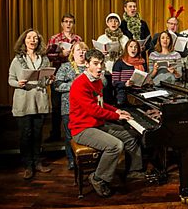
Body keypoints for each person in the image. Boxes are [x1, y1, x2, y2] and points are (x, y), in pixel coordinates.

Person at [69, 49, 144, 197]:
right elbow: (94, 110)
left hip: (96, 124)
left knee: (130, 135)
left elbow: (100, 104)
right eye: (95, 64)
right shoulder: (80, 84)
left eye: (101, 64)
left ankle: (134, 170)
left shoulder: (96, 81)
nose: (99, 67)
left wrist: (117, 111)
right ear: (86, 64)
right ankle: (98, 178)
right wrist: (116, 117)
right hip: (82, 129)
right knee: (115, 146)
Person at [8, 29, 54, 179]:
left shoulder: (44, 59)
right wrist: (18, 83)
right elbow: (11, 79)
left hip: (39, 99)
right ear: (24, 41)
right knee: (26, 134)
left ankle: (37, 162)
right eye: (29, 38)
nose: (33, 40)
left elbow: (45, 79)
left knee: (37, 133)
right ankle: (28, 165)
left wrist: (49, 80)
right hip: (24, 100)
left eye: (35, 38)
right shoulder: (18, 59)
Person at [46, 13, 83, 143]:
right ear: (62, 24)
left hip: (74, 76)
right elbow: (47, 55)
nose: (68, 24)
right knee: (56, 107)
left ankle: (75, 132)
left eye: (71, 22)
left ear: (73, 24)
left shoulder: (78, 39)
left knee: (74, 106)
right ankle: (55, 134)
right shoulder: (55, 38)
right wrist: (61, 54)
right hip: (58, 75)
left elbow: (82, 54)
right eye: (66, 22)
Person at [54, 42, 89, 170]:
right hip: (68, 108)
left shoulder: (90, 66)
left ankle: (86, 159)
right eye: (78, 50)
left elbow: (104, 82)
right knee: (70, 136)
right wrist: (74, 85)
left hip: (87, 108)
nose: (81, 52)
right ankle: (72, 160)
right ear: (72, 53)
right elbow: (57, 86)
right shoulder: (65, 67)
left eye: (84, 50)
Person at [97, 13, 129, 104]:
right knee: (107, 96)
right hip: (107, 70)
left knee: (120, 97)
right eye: (110, 21)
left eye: (115, 21)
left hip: (120, 71)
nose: (113, 23)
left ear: (119, 23)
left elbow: (128, 54)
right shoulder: (102, 38)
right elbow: (96, 56)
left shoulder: (124, 38)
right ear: (107, 23)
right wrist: (101, 53)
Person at [112, 39, 146, 107]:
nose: (133, 49)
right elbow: (114, 82)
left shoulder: (142, 62)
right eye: (131, 46)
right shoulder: (119, 62)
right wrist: (125, 84)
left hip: (139, 91)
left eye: (136, 47)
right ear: (126, 48)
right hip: (124, 91)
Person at [119, 0, 151, 68]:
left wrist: (144, 47)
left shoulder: (143, 23)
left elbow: (149, 39)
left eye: (134, 6)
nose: (133, 8)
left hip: (141, 56)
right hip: (127, 58)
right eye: (130, 6)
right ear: (125, 9)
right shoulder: (122, 24)